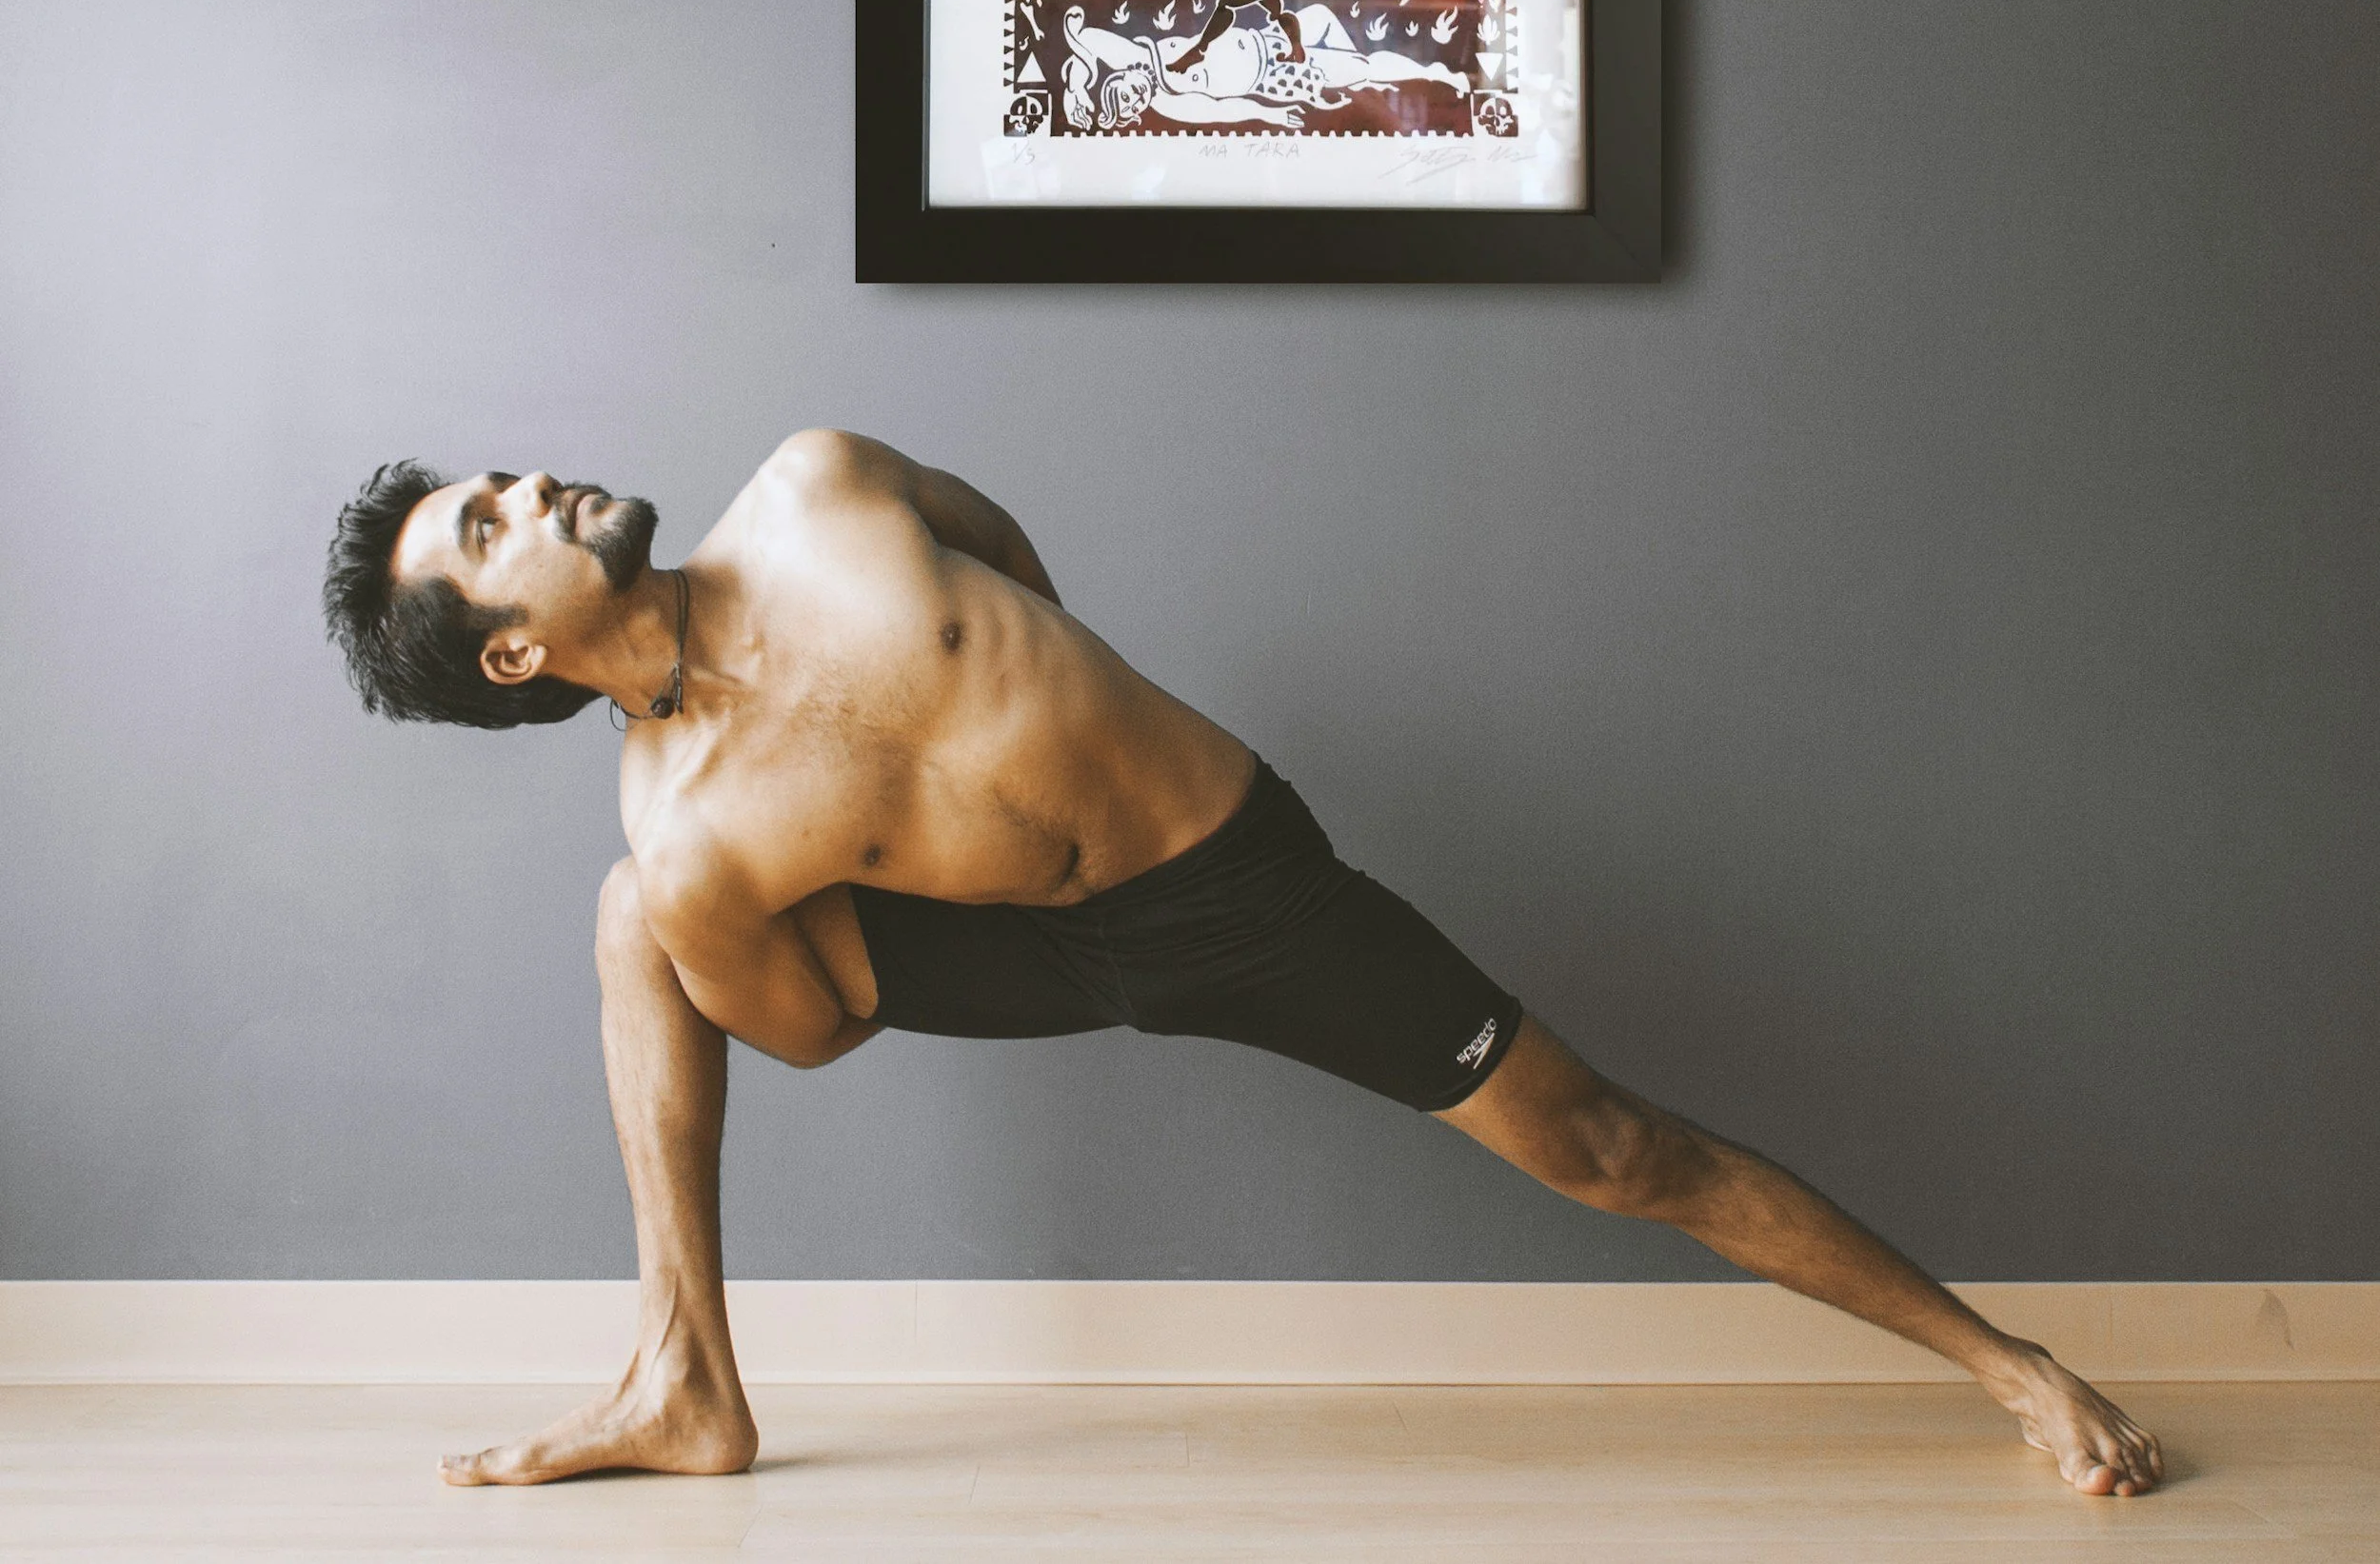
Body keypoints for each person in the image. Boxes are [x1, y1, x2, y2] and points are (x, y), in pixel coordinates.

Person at [321, 431, 2162, 1497]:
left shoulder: (813, 487)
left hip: (1233, 882)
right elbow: (803, 1033)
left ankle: (2007, 1368)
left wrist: (1037, 731)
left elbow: (1011, 558)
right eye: (489, 528)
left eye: (503, 478)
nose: (535, 485)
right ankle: (686, 1380)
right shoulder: (696, 829)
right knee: (635, 911)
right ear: (508, 658)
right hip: (1036, 950)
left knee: (1609, 1149)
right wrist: (798, 886)